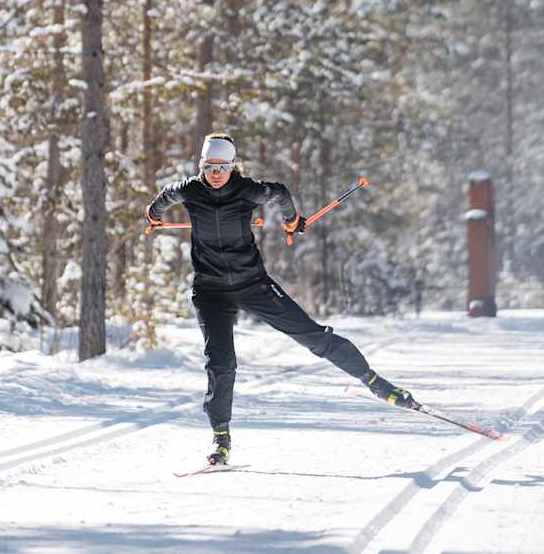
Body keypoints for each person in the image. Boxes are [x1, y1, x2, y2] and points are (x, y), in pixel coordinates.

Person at [146, 132, 416, 466]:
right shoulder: (190, 190)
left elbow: (281, 193)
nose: (216, 174)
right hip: (210, 291)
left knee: (312, 335)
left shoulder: (247, 190)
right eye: (210, 167)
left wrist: (291, 221)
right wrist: (153, 215)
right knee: (221, 363)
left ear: (233, 166)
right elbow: (163, 198)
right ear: (201, 166)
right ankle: (221, 438)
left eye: (222, 167)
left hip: (253, 284)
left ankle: (375, 382)